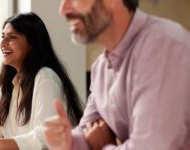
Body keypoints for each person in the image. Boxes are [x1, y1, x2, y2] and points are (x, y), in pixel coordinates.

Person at [43, 0, 190, 149]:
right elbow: (86, 133)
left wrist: (100, 147)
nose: (63, 10)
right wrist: (69, 142)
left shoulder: (163, 45)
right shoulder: (100, 68)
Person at [0, 12, 84, 150]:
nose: (3, 44)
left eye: (12, 37)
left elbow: (44, 138)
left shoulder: (45, 77)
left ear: (32, 43)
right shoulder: (11, 83)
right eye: (3, 37)